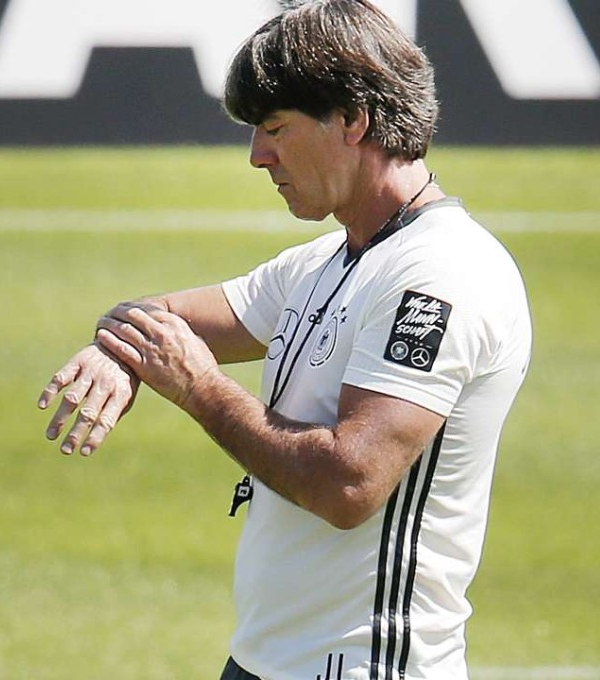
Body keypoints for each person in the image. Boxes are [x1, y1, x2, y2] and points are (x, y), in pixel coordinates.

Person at [37, 1, 532, 678]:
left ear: (354, 120)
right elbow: (155, 319)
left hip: (364, 667)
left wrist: (198, 387)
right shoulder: (327, 261)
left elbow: (347, 485)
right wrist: (120, 354)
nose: (256, 156)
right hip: (266, 662)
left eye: (274, 128)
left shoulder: (440, 276)